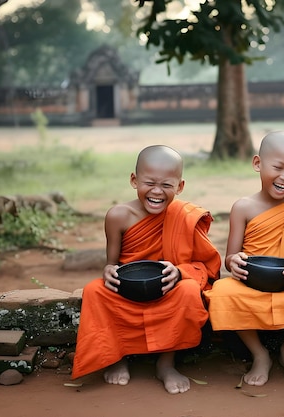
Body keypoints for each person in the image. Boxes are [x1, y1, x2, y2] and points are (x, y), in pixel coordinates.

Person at [71, 145, 222, 394]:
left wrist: (180, 272)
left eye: (166, 185)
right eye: (149, 183)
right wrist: (109, 271)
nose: (156, 192)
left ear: (180, 186)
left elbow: (206, 266)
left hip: (167, 288)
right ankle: (117, 358)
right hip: (128, 288)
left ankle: (166, 364)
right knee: (94, 291)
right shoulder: (118, 216)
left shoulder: (184, 215)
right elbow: (112, 263)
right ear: (134, 180)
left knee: (187, 291)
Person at [204, 131, 284, 386]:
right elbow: (230, 257)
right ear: (257, 164)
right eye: (278, 167)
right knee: (223, 291)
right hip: (252, 281)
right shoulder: (243, 207)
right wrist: (236, 262)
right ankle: (259, 354)